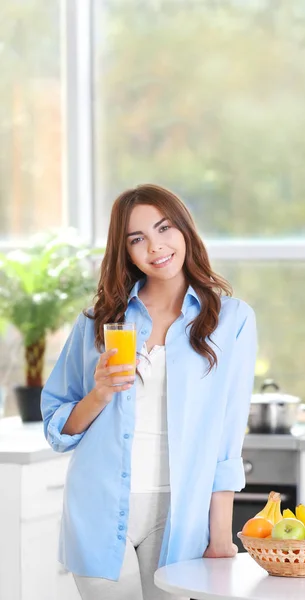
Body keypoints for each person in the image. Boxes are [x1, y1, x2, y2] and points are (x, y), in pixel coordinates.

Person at [41, 183, 257, 600]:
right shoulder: (97, 322)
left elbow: (227, 438)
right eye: (137, 239)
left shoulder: (231, 320)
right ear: (124, 252)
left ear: (185, 231)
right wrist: (100, 393)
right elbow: (56, 427)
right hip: (97, 507)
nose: (155, 247)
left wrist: (220, 536)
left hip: (180, 514)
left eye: (164, 229)